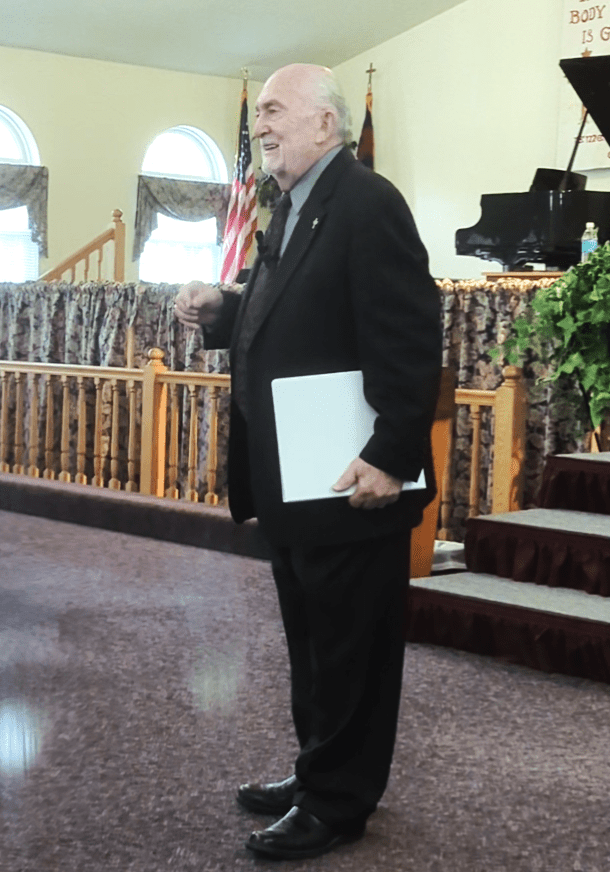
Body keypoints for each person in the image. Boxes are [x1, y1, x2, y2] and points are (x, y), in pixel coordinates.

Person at [174, 63, 442, 861]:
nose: (261, 125)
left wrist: (391, 452)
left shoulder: (368, 203)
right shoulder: (292, 208)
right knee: (316, 646)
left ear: (327, 124)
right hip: (298, 484)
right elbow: (286, 309)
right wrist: (222, 309)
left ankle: (339, 802)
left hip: (352, 481)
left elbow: (409, 332)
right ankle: (318, 770)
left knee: (352, 650)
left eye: (274, 111)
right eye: (258, 113)